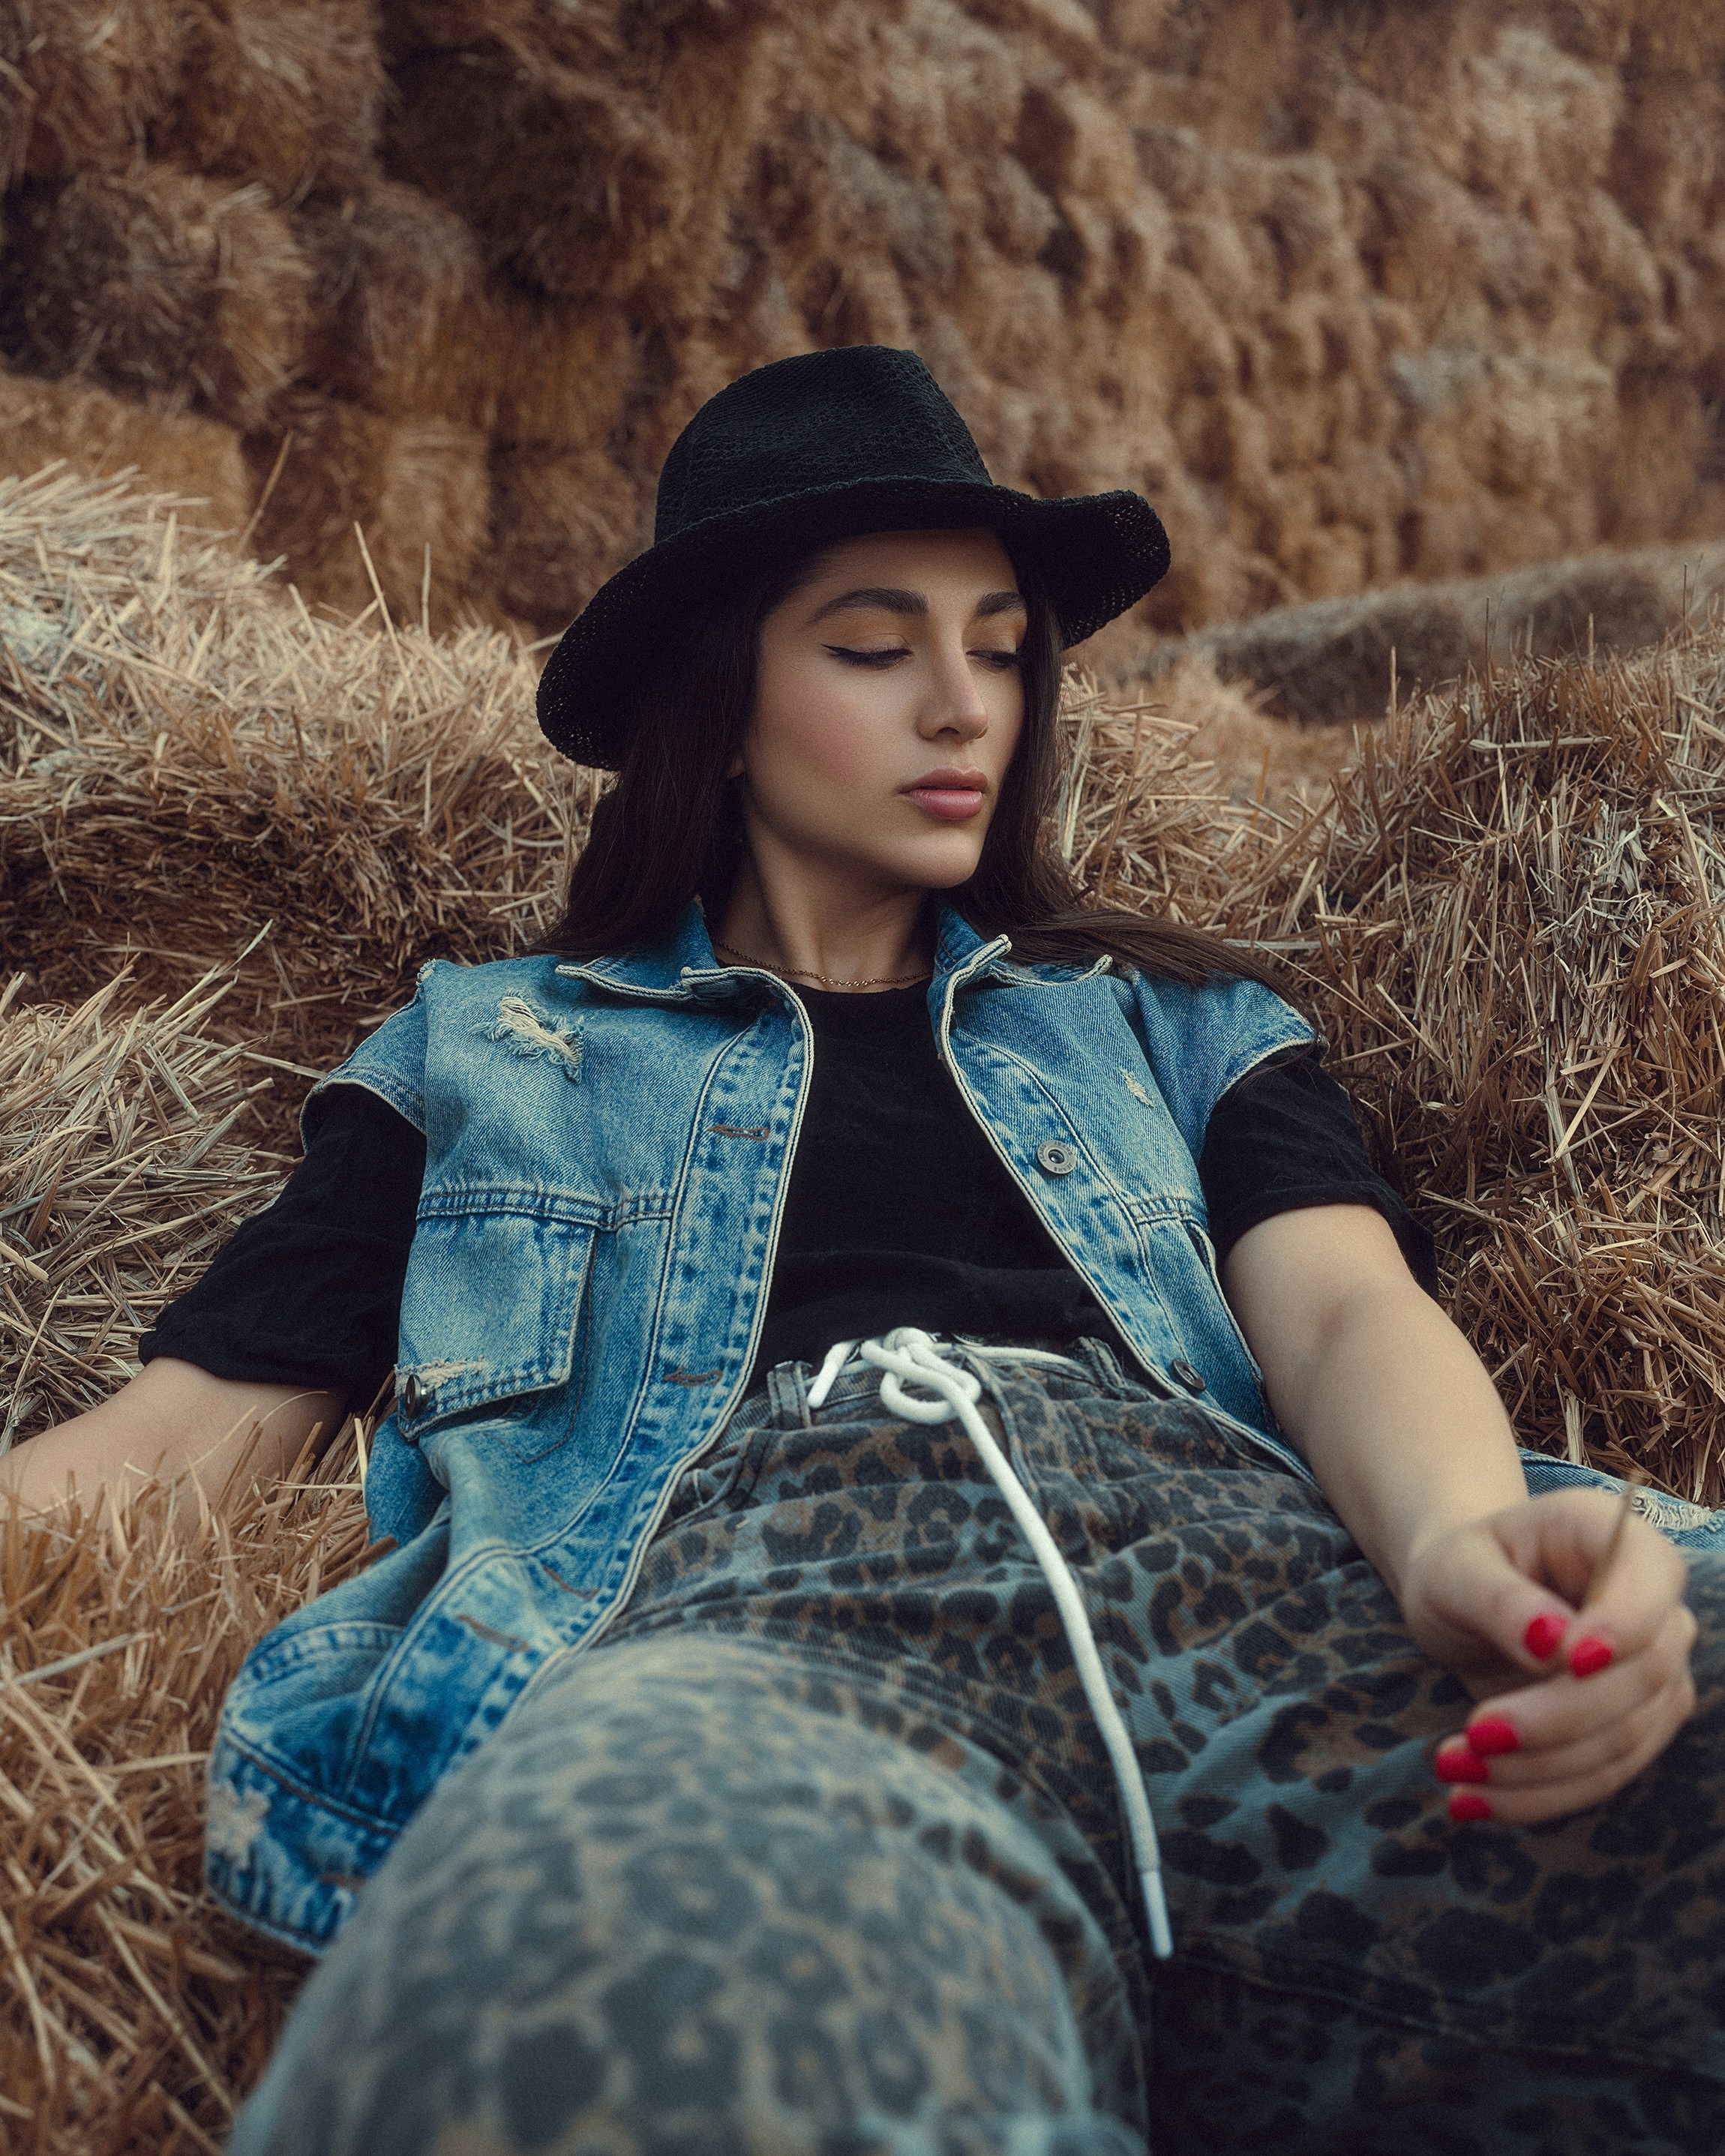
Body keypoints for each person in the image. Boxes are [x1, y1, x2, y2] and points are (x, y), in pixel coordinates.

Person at [9, 347, 1720, 2155]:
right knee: (573, 2040)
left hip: (1270, 1596)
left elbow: (1344, 1311)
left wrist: (1456, 1535)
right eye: (874, 643)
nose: (964, 705)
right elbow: (202, 1419)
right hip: (774, 1647)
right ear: (721, 693)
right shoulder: (487, 1051)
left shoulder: (1167, 1014)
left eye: (998, 645)